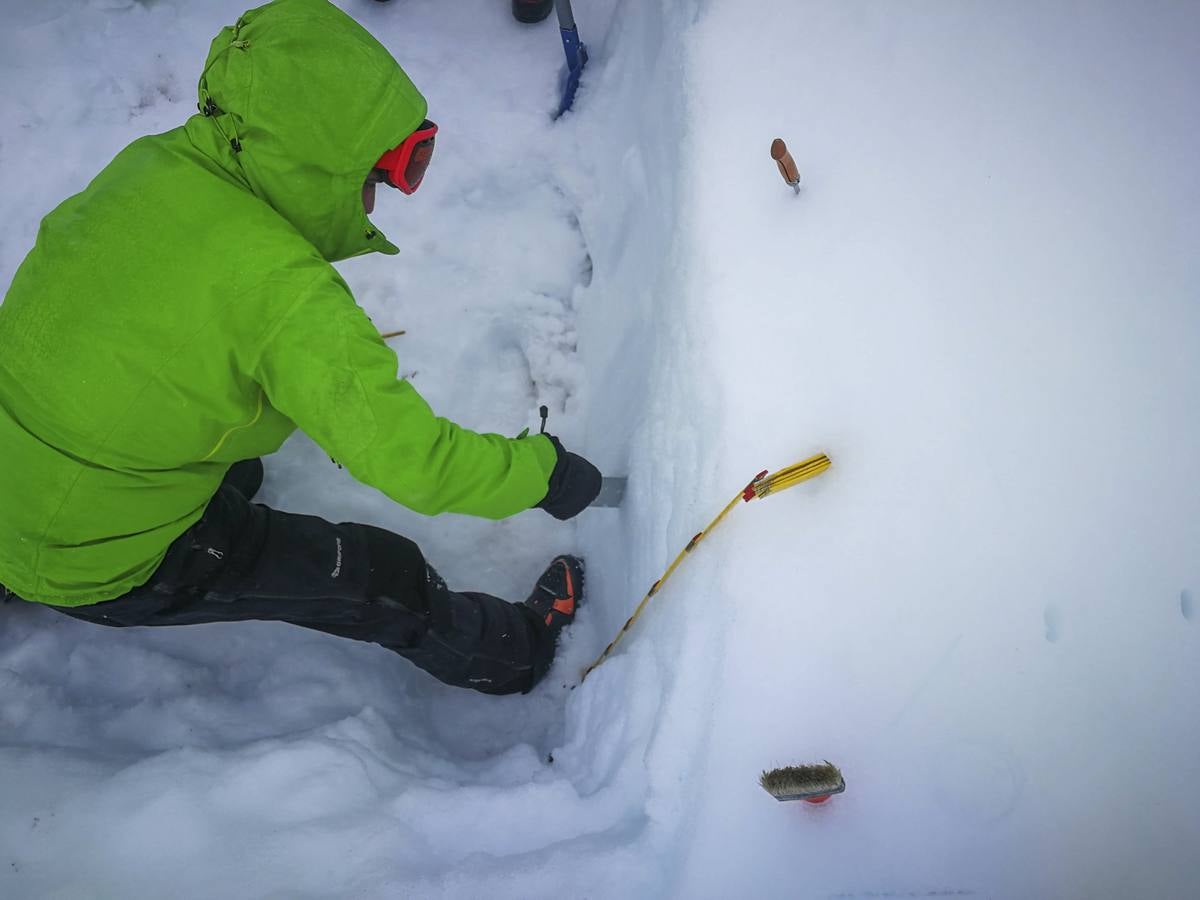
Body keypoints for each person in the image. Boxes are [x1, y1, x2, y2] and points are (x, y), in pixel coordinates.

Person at [0, 0, 601, 696]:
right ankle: (512, 655)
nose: (375, 207)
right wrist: (542, 473)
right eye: (372, 182)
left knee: (239, 466)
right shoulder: (286, 296)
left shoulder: (150, 167)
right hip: (90, 557)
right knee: (379, 576)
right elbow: (416, 464)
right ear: (316, 168)